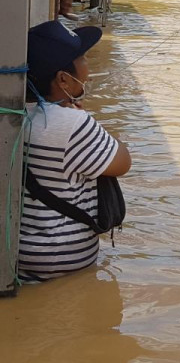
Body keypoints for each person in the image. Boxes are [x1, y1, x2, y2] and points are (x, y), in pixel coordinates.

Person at [19, 21, 132, 283]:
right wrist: (85, 117)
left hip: (19, 251)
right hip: (62, 260)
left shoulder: (17, 113)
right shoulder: (73, 124)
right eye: (83, 59)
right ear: (63, 79)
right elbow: (122, 162)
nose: (88, 70)